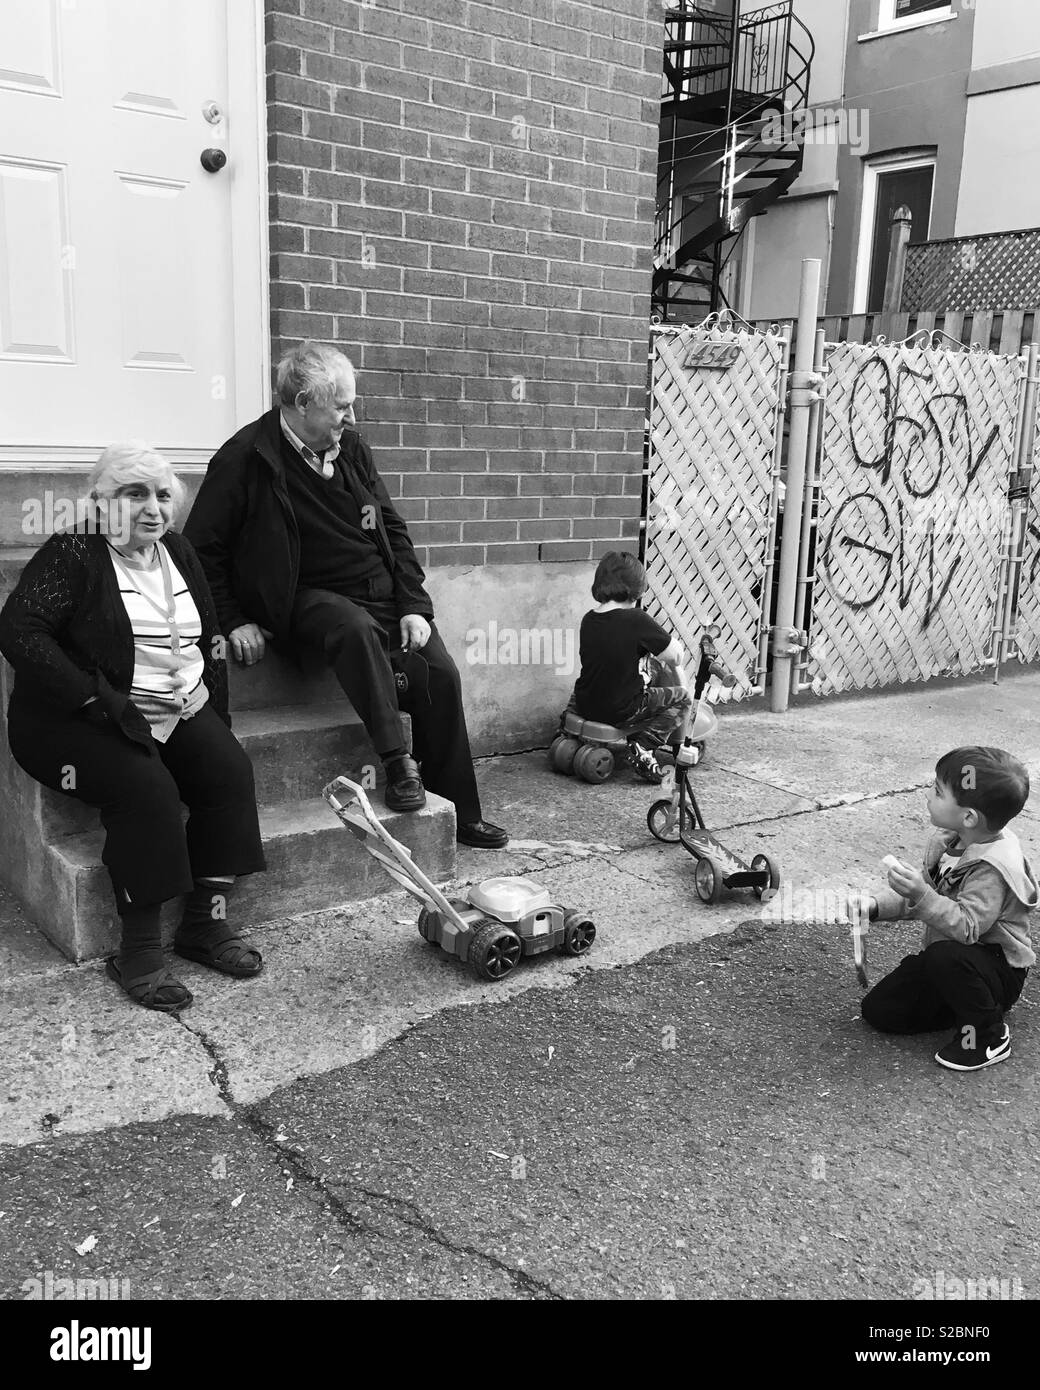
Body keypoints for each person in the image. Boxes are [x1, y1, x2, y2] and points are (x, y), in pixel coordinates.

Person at [182, 341, 508, 848]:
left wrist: (414, 606)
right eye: (342, 405)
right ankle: (397, 762)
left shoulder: (352, 448)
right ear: (304, 401)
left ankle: (460, 813)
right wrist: (232, 619)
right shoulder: (246, 458)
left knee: (439, 674)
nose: (351, 415)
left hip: (378, 592)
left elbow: (393, 529)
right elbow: (203, 548)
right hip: (305, 598)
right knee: (352, 628)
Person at [0, 443, 266, 1014]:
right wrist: (96, 699)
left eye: (163, 495)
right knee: (148, 791)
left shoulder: (178, 551)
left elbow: (208, 641)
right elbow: (20, 633)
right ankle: (140, 951)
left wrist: (213, 722)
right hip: (73, 721)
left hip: (177, 706)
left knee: (228, 773)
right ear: (101, 503)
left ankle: (203, 924)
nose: (153, 508)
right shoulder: (75, 552)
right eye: (134, 493)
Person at [861, 746, 1037, 1071]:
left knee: (946, 956)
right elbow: (924, 896)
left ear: (969, 816)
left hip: (995, 968)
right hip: (955, 962)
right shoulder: (954, 842)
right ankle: (966, 1004)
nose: (928, 794)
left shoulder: (992, 868)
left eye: (938, 791)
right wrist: (874, 907)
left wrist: (922, 895)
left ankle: (988, 1036)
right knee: (881, 1010)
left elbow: (967, 928)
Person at [570, 551, 691, 784]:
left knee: (602, 675)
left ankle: (566, 727)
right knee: (683, 698)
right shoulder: (637, 619)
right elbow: (676, 656)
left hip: (586, 704)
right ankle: (644, 745)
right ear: (637, 588)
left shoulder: (589, 619)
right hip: (622, 709)